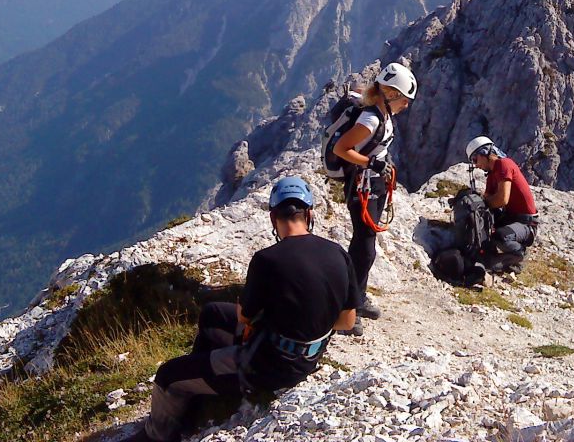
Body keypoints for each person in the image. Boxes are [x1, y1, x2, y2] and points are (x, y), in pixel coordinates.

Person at [123, 176, 360, 442]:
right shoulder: (338, 253)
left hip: (269, 366)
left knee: (168, 376)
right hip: (308, 354)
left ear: (273, 218)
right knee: (213, 313)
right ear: (309, 214)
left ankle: (157, 435)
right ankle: (197, 394)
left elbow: (244, 316)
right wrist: (306, 322)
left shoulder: (267, 260)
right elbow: (347, 321)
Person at [332, 62, 417, 335]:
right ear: (391, 94)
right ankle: (348, 307)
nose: (406, 105)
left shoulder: (383, 114)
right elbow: (341, 148)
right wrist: (373, 163)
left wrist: (380, 165)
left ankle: (358, 296)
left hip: (373, 184)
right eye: (405, 99)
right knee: (364, 247)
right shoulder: (370, 119)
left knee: (365, 244)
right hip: (362, 185)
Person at [465, 136, 539, 272]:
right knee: (483, 221)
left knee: (501, 236)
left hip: (526, 224)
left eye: (475, 159)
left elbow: (501, 200)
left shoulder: (504, 165)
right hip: (511, 217)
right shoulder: (492, 174)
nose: (476, 165)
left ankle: (518, 255)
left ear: (485, 153)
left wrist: (482, 204)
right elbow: (487, 199)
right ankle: (489, 253)